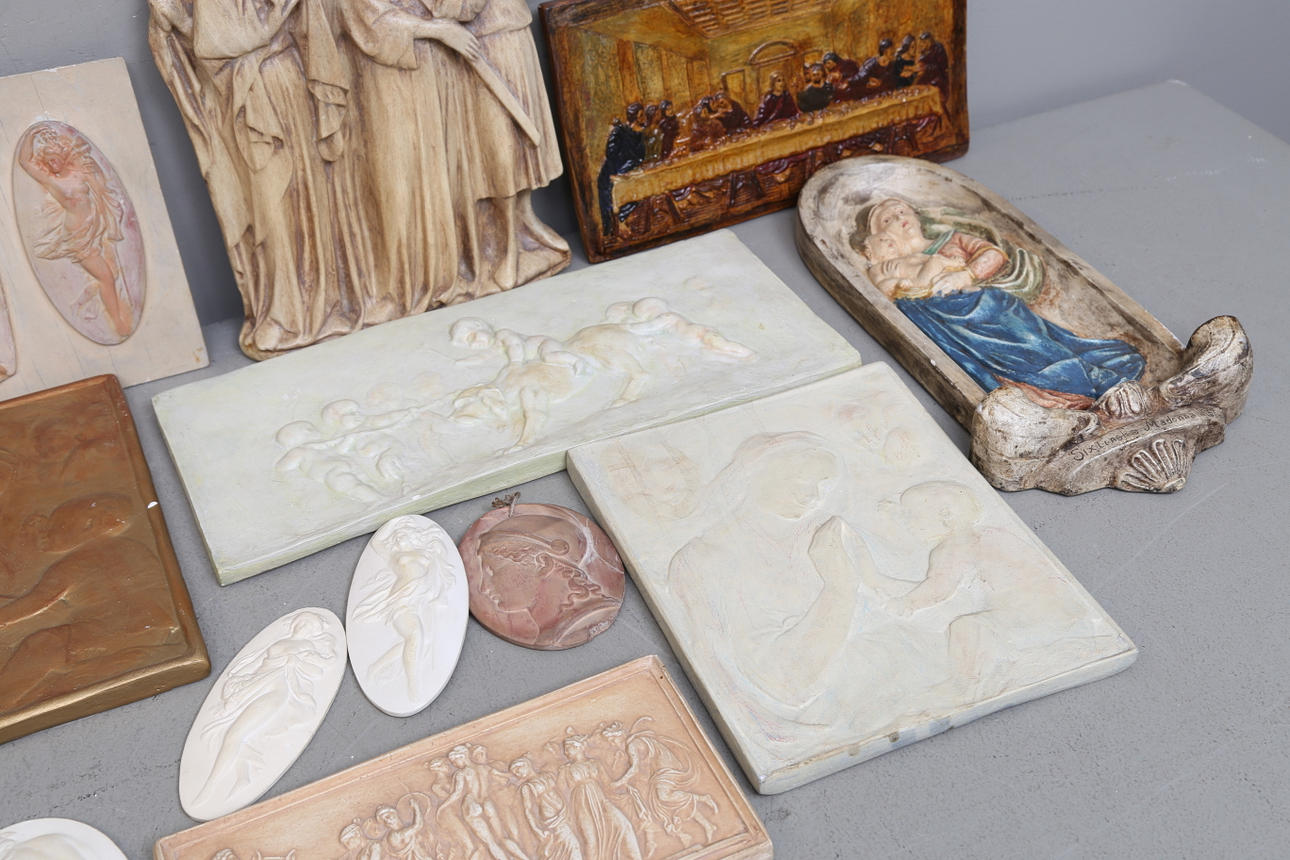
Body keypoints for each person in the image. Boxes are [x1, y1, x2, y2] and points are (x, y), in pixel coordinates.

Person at [862, 198, 1146, 404]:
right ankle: (1075, 384)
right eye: (887, 219)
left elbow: (993, 255)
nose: (898, 217)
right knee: (1005, 361)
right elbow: (892, 295)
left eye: (902, 210)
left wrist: (966, 274)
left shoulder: (952, 239)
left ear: (916, 215)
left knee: (1033, 341)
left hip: (989, 304)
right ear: (880, 235)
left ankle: (1088, 373)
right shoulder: (892, 266)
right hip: (951, 324)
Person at [17, 123, 134, 340]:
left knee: (110, 275)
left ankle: (83, 306)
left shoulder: (80, 173)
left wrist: (95, 168)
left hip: (95, 230)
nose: (52, 164)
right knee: (107, 277)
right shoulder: (51, 181)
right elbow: (24, 162)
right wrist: (31, 135)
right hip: (78, 239)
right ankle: (117, 322)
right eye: (48, 161)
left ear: (63, 158)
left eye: (55, 159)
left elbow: (102, 187)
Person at [596, 104, 646, 237]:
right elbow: (610, 153)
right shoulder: (619, 131)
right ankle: (611, 232)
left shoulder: (640, 133)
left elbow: (640, 155)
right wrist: (623, 165)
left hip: (628, 173)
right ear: (635, 117)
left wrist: (632, 164)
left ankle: (624, 224)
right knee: (610, 203)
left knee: (636, 195)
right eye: (641, 115)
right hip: (611, 173)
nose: (643, 118)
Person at [916, 30, 950, 100]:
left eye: (924, 42)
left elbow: (940, 67)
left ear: (929, 41)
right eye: (922, 42)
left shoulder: (938, 49)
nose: (922, 44)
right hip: (928, 78)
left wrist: (925, 67)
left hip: (939, 78)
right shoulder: (924, 51)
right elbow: (922, 63)